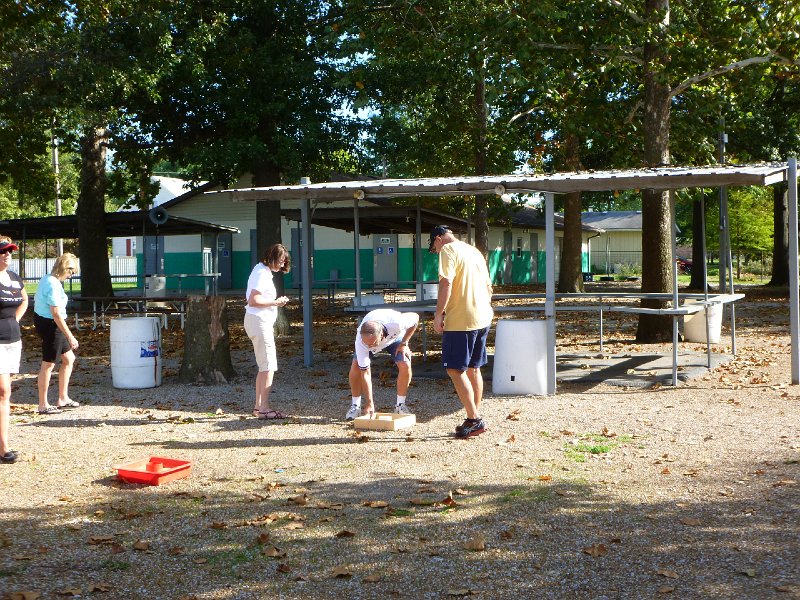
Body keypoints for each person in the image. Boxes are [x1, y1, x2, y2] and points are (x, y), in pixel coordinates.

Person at [429, 225, 493, 438]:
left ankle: (474, 419)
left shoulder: (448, 250)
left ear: (438, 239)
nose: (436, 252)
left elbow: (446, 282)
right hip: (482, 315)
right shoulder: (474, 251)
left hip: (461, 319)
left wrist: (439, 313)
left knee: (455, 370)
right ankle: (473, 416)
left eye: (434, 247)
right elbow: (488, 286)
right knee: (474, 368)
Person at [244, 243, 291, 420]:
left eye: (283, 261)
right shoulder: (262, 273)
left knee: (264, 366)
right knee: (269, 365)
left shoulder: (261, 271)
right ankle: (264, 408)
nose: (281, 264)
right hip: (259, 321)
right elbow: (253, 300)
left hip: (257, 321)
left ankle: (258, 407)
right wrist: (275, 303)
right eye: (280, 261)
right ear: (271, 257)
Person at [347, 308, 419, 420]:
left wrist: (405, 342)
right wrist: (369, 403)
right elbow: (365, 373)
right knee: (356, 366)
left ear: (381, 335)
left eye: (373, 343)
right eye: (368, 344)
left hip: (395, 338)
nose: (371, 347)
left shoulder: (397, 323)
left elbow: (415, 317)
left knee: (405, 364)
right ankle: (355, 406)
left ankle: (400, 406)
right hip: (372, 339)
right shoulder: (361, 341)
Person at [33, 252, 81, 415]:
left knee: (69, 359)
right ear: (64, 268)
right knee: (48, 364)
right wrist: (70, 335)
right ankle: (42, 404)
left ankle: (63, 398)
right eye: (72, 271)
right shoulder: (53, 284)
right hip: (51, 325)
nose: (72, 275)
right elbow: (56, 314)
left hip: (46, 321)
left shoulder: (48, 278)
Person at [0, 237, 28, 463]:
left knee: (4, 392)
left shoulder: (14, 278)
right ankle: (4, 448)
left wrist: (15, 321)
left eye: (10, 251)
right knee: (3, 391)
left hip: (13, 340)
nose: (7, 254)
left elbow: (24, 301)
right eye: (3, 251)